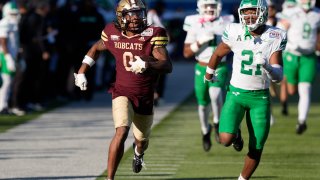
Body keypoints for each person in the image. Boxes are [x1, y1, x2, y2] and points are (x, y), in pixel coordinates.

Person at [73, 0, 172, 179]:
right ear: (121, 16)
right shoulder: (112, 32)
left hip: (145, 95)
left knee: (141, 141)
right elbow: (96, 48)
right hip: (122, 92)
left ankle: (138, 153)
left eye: (139, 13)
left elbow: (167, 65)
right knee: (121, 130)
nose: (136, 18)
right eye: (131, 14)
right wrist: (81, 71)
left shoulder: (153, 34)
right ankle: (110, 178)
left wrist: (148, 64)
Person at [204, 0, 286, 179]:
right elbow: (218, 53)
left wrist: (268, 66)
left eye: (253, 12)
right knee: (225, 139)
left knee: (256, 147)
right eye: (245, 12)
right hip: (236, 94)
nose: (249, 17)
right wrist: (209, 73)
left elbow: (278, 77)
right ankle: (237, 135)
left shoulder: (275, 35)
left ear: (263, 13)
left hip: (260, 98)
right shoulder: (235, 31)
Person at [183, 0, 234, 152]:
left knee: (215, 93)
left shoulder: (227, 21)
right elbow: (186, 53)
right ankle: (205, 131)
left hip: (220, 66)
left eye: (213, 5)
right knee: (202, 104)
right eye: (207, 6)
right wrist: (199, 42)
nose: (210, 8)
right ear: (201, 7)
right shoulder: (194, 22)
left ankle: (217, 122)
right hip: (201, 66)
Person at [276, 0, 320, 134]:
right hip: (292, 55)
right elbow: (279, 31)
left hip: (309, 56)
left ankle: (302, 121)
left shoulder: (317, 14)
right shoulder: (291, 12)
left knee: (305, 88)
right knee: (292, 91)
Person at [0, 1, 19, 114]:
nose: (14, 16)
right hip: (4, 55)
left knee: (9, 82)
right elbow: (2, 41)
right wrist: (8, 57)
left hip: (12, 55)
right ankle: (2, 106)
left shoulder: (13, 24)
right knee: (5, 81)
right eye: (12, 14)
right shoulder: (4, 23)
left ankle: (4, 105)